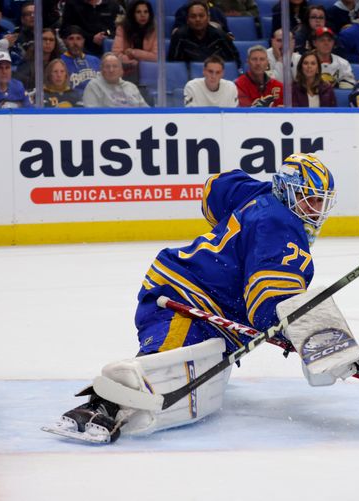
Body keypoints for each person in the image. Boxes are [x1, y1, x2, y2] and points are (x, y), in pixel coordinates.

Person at [44, 154, 338, 444]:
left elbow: (215, 188)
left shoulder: (262, 196)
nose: (316, 210)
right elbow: (267, 304)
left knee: (198, 356)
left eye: (322, 202)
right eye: (310, 199)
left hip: (200, 292)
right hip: (185, 296)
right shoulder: (280, 224)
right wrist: (295, 332)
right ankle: (99, 405)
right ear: (287, 190)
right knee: (165, 360)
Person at [168, 0, 241, 67]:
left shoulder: (220, 36)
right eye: (193, 16)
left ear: (208, 18)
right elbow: (173, 65)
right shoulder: (179, 36)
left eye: (201, 16)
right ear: (187, 19)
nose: (197, 19)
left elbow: (234, 61)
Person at [113, 0, 159, 83]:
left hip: (148, 72)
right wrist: (133, 62)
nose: (143, 15)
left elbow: (156, 57)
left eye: (146, 12)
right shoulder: (122, 29)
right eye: (138, 12)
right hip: (127, 70)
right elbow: (116, 54)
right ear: (132, 14)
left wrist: (134, 53)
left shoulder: (154, 31)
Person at [83, 52, 148, 107]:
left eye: (115, 66)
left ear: (121, 71)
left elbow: (147, 112)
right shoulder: (93, 86)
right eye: (107, 66)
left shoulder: (131, 87)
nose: (111, 70)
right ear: (102, 70)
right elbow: (91, 115)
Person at [13, 28, 63, 92]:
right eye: (44, 39)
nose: (48, 42)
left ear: (55, 43)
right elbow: (20, 85)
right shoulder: (26, 63)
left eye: (51, 40)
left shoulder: (59, 63)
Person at [61, 25, 102, 92]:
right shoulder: (60, 62)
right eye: (71, 39)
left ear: (83, 40)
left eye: (78, 38)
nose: (75, 43)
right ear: (65, 41)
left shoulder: (95, 60)